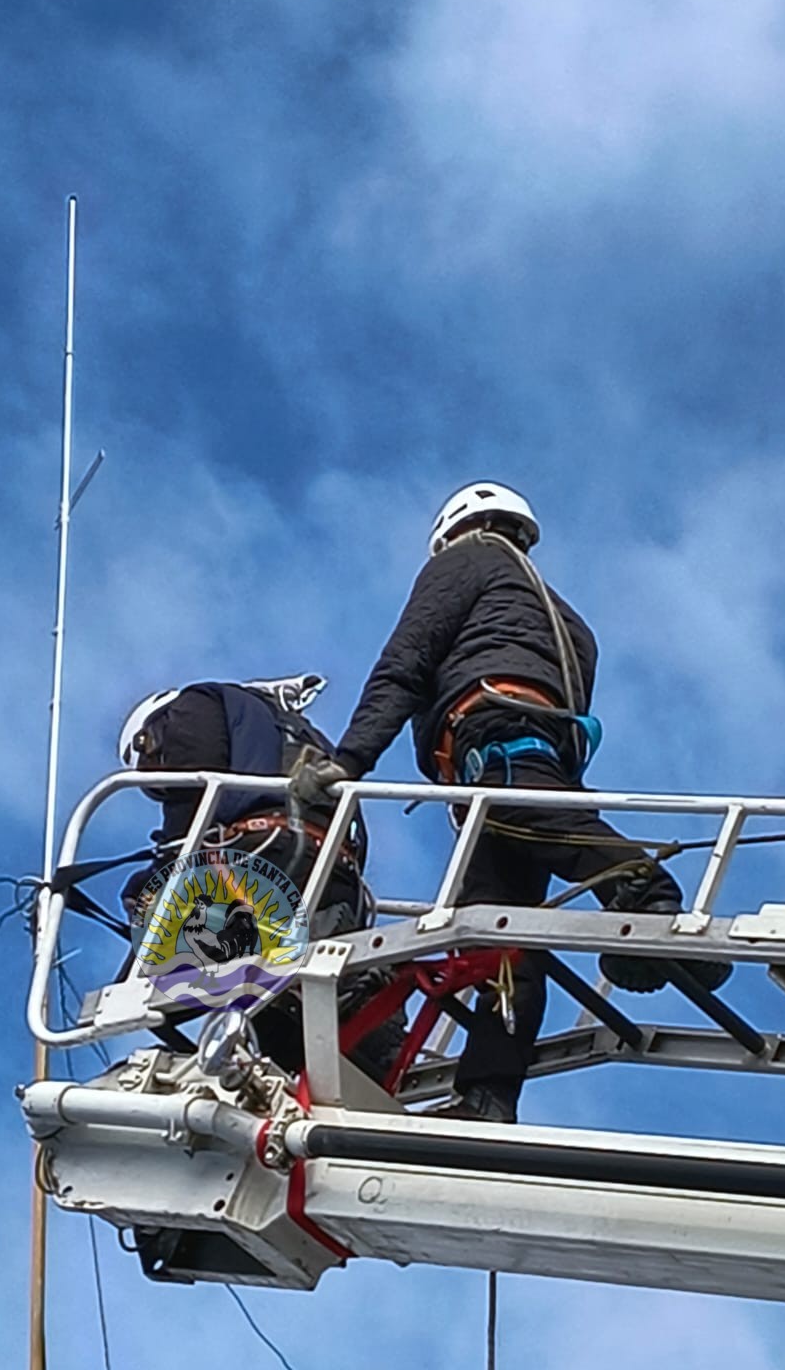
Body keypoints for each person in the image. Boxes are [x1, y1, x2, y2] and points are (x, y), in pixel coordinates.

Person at [290, 481, 729, 1123]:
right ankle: (488, 1095)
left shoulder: (465, 562)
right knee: (498, 940)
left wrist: (348, 762)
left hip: (492, 739)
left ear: (453, 532)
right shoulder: (570, 622)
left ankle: (642, 887)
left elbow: (407, 662)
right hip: (534, 750)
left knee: (527, 818)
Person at [117, 674, 401, 1079]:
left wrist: (150, 886)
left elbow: (192, 795)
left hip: (265, 859)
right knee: (277, 1030)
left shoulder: (194, 707)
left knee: (148, 910)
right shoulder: (298, 732)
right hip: (335, 874)